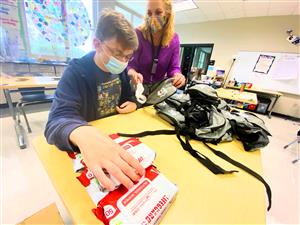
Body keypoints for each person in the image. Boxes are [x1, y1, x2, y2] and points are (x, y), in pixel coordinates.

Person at [44, 10, 145, 191]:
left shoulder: (120, 69)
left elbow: (128, 96)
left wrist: (133, 103)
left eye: (128, 57)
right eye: (118, 53)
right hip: (88, 145)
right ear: (97, 44)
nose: (122, 61)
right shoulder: (75, 72)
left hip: (114, 136)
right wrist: (82, 132)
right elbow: (56, 121)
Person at [127, 0, 185, 90]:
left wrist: (178, 75)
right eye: (149, 13)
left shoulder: (174, 39)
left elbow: (174, 67)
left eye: (158, 12)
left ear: (168, 14)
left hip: (159, 88)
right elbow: (130, 64)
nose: (153, 18)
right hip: (138, 85)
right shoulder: (138, 34)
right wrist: (132, 73)